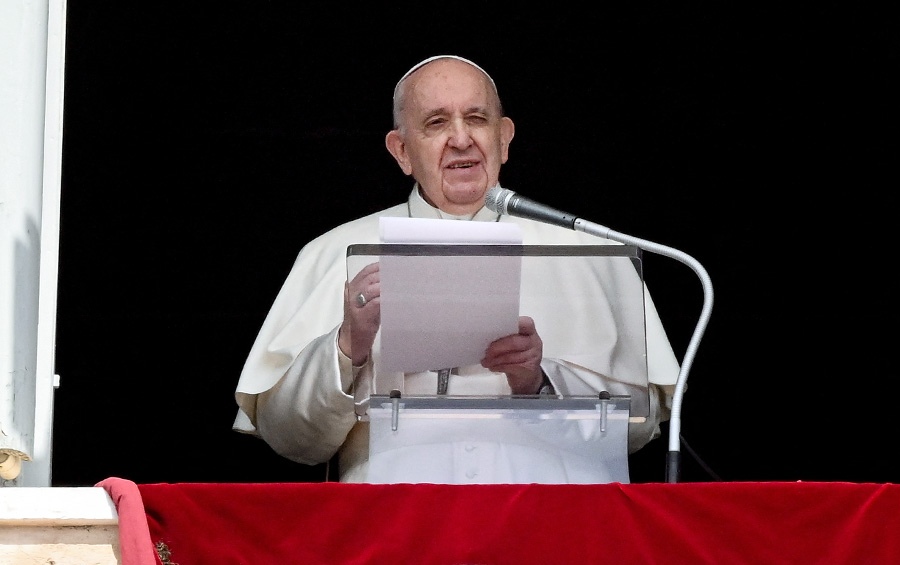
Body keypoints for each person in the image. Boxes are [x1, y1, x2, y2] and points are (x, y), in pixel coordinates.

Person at [233, 55, 681, 483]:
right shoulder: (333, 251)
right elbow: (289, 438)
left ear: (504, 139)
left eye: (477, 118)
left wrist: (539, 382)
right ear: (402, 150)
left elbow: (638, 430)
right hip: (393, 532)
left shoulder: (587, 250)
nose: (462, 138)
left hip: (548, 524)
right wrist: (348, 346)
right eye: (436, 122)